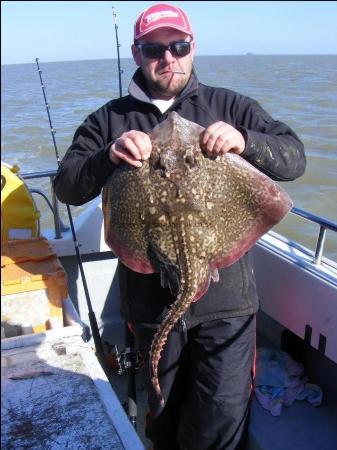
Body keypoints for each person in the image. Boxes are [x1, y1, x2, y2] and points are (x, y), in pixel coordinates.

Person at [54, 4, 306, 449]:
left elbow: (293, 157)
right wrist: (108, 154)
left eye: (179, 46)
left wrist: (247, 141)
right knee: (164, 412)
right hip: (151, 303)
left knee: (222, 415)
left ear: (193, 48)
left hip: (227, 303)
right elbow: (68, 186)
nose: (167, 58)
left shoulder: (229, 105)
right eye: (154, 48)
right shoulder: (109, 120)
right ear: (136, 53)